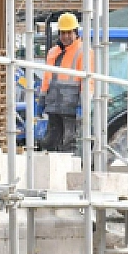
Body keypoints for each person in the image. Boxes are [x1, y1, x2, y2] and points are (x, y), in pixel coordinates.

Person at [40, 12, 89, 153]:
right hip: (54, 105)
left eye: (69, 33)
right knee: (49, 142)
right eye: (63, 33)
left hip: (72, 107)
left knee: (69, 142)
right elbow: (47, 78)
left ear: (76, 32)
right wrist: (42, 100)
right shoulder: (53, 52)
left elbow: (88, 82)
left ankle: (69, 172)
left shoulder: (83, 51)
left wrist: (83, 105)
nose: (66, 36)